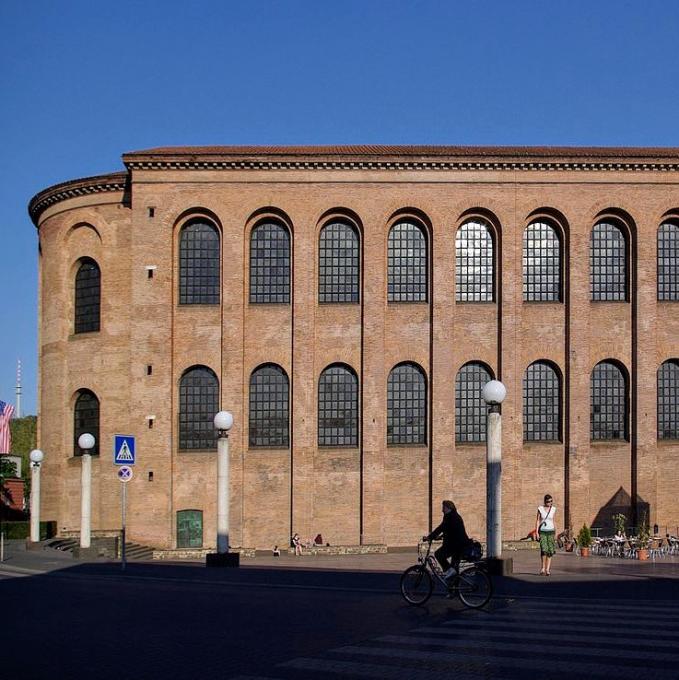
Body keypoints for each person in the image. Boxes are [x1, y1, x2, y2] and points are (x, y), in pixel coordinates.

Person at [423, 500, 472, 580]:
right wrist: (440, 537)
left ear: (449, 508)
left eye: (443, 507)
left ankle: (449, 571)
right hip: (459, 545)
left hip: (457, 546)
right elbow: (450, 530)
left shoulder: (450, 517)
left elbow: (441, 528)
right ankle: (454, 589)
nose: (442, 510)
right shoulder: (453, 516)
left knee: (439, 554)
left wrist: (430, 537)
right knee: (454, 571)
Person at [536, 494, 557, 575]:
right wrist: (537, 532)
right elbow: (537, 520)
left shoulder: (553, 509)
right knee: (544, 549)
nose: (550, 503)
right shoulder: (540, 509)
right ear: (545, 501)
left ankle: (548, 569)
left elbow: (554, 520)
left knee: (550, 550)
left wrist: (556, 532)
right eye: (548, 502)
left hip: (551, 531)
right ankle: (543, 568)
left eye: (551, 501)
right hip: (543, 531)